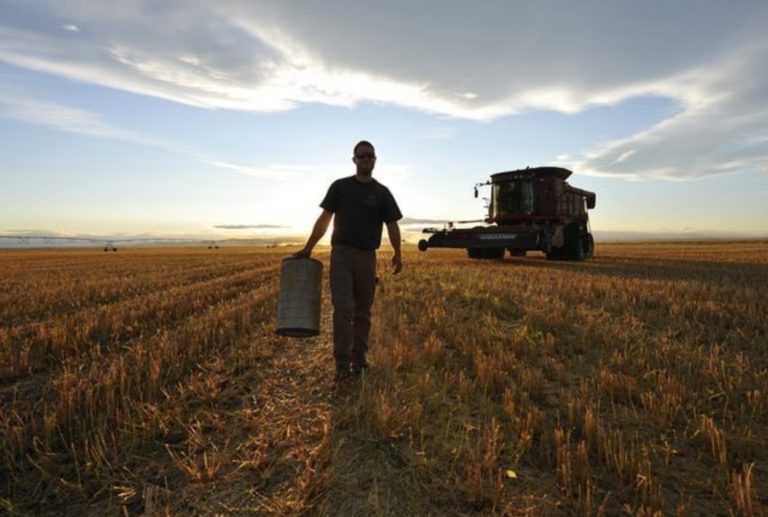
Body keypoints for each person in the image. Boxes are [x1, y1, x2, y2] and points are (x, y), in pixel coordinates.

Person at [295, 140, 403, 382]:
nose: (366, 159)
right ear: (354, 160)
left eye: (370, 155)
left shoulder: (382, 193)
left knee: (363, 312)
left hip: (367, 257)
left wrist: (398, 253)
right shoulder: (340, 187)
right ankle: (342, 363)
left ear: (375, 160)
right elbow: (325, 218)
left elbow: (392, 225)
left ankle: (359, 358)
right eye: (361, 155)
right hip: (341, 255)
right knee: (343, 309)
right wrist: (309, 248)